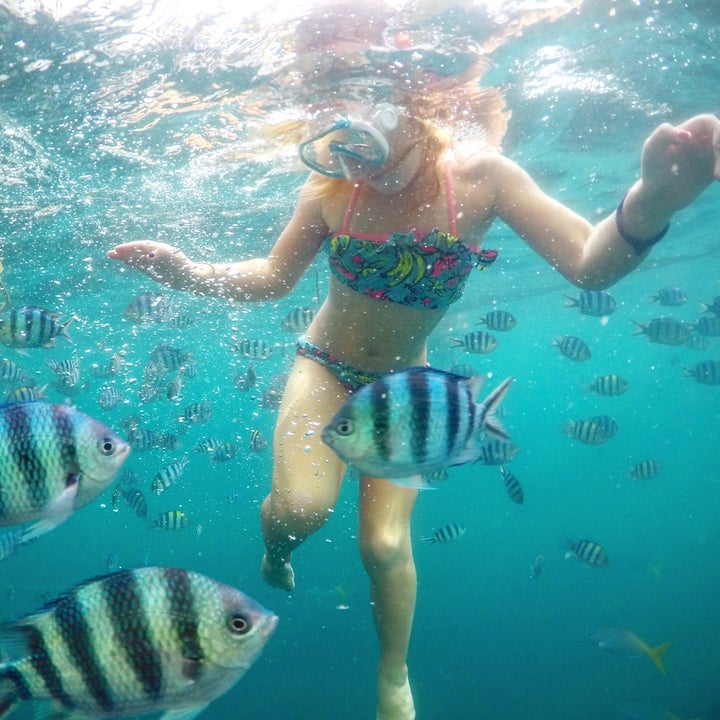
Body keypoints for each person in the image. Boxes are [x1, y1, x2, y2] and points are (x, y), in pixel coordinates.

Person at [108, 42, 720, 720]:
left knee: (384, 544)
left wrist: (651, 204)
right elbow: (273, 279)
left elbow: (588, 265)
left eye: (370, 144)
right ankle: (275, 550)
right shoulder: (329, 191)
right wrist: (188, 271)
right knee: (300, 512)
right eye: (341, 145)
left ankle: (393, 678)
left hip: (406, 387)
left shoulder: (482, 177)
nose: (360, 165)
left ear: (416, 112)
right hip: (325, 369)